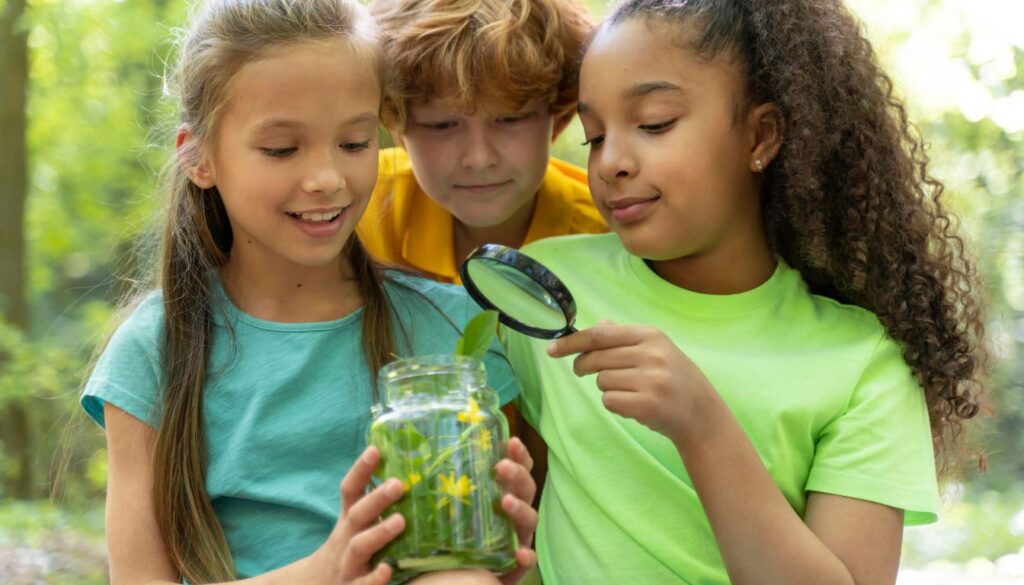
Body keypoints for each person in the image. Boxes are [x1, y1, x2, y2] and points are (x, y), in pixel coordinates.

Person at [503, 1, 988, 584]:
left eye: (654, 123)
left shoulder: (863, 365)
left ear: (761, 135)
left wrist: (702, 424)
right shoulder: (543, 293)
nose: (611, 163)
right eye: (595, 136)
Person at [79, 1, 538, 583]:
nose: (327, 178)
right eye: (282, 149)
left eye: (353, 143)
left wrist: (509, 552)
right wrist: (329, 568)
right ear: (198, 157)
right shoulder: (154, 352)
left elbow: (517, 563)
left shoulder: (455, 333)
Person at [356, 0, 606, 285]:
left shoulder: (612, 238)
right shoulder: (355, 214)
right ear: (395, 126)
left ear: (558, 118)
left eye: (511, 120)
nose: (479, 158)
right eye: (442, 125)